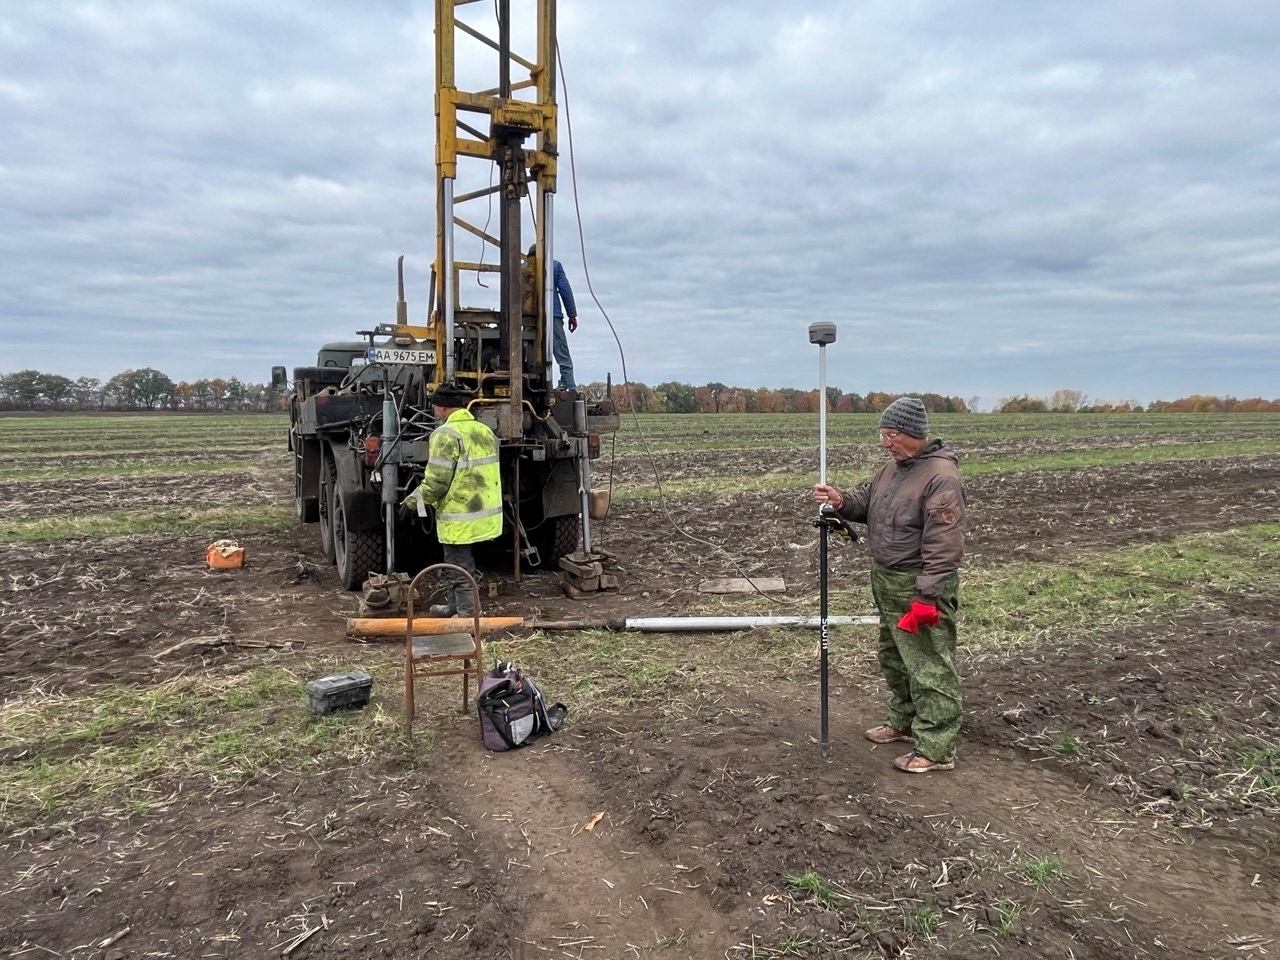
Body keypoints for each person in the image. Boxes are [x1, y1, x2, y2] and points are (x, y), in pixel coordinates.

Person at [813, 397, 967, 774]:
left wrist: (927, 596)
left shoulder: (940, 476)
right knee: (895, 657)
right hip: (887, 579)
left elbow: (944, 542)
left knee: (929, 664)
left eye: (892, 434)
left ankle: (936, 746)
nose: (886, 441)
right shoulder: (895, 468)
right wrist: (843, 501)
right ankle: (902, 721)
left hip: (919, 584)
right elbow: (871, 502)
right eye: (883, 434)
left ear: (914, 433)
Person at [401, 382, 502, 617]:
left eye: (435, 406)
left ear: (442, 408)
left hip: (460, 515)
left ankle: (467, 616)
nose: (434, 411)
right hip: (485, 513)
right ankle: (454, 607)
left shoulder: (445, 435)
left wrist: (412, 501)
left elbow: (436, 482)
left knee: (458, 566)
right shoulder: (483, 430)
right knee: (455, 563)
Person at [524, 245, 579, 392]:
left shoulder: (521, 268)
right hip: (552, 316)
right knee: (562, 354)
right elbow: (565, 290)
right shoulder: (554, 266)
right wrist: (572, 314)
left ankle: (531, 387)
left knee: (528, 353)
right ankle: (569, 388)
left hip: (527, 318)